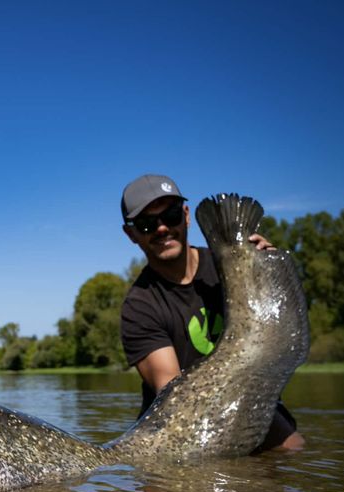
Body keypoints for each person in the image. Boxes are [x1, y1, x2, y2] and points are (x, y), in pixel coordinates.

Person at [119, 173, 304, 451]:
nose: (161, 229)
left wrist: (269, 276)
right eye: (146, 224)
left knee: (294, 449)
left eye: (170, 215)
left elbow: (273, 334)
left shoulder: (231, 267)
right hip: (178, 425)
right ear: (131, 234)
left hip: (249, 398)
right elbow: (171, 389)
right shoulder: (139, 306)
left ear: (186, 215)